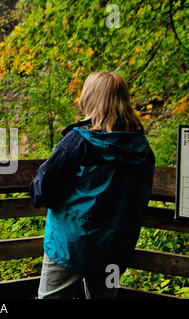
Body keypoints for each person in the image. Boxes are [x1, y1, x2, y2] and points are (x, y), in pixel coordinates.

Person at [29, 72, 155, 299]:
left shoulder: (79, 140)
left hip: (70, 244)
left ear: (89, 97)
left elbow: (43, 191)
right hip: (116, 248)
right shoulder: (142, 148)